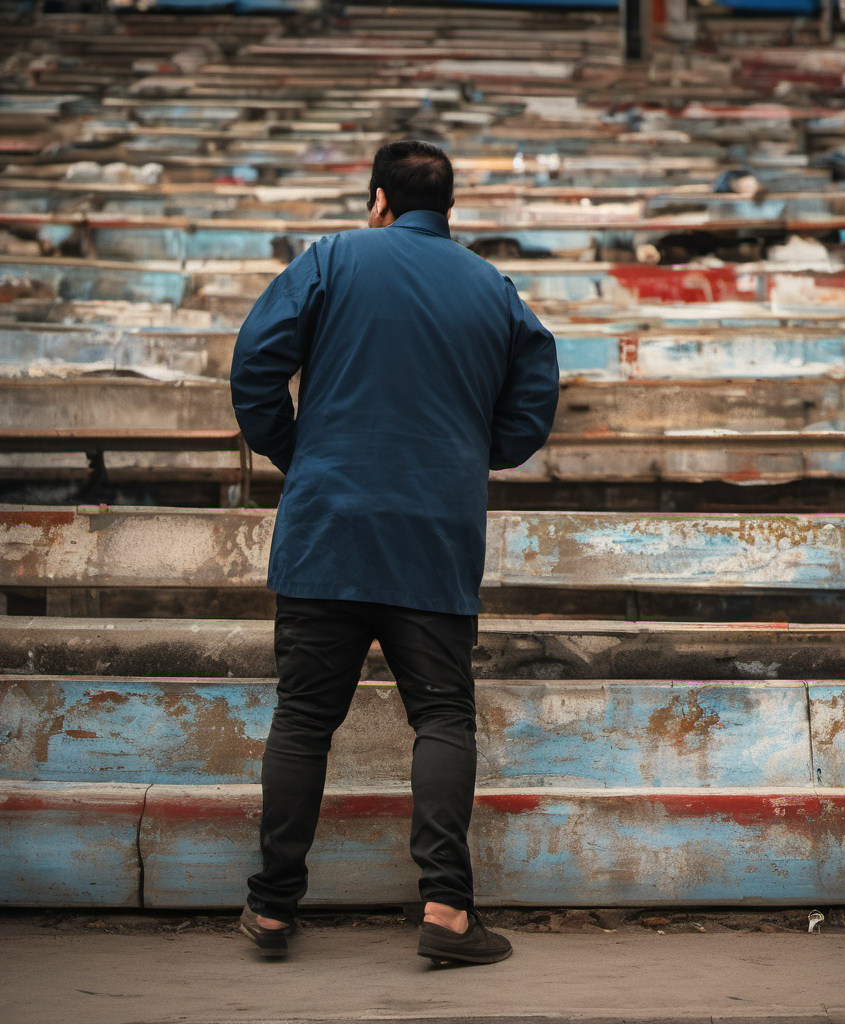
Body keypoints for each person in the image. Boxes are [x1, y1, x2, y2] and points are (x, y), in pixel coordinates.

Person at [230, 140, 560, 963]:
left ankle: (272, 909)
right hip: (435, 536)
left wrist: (297, 450)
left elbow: (254, 367)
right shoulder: (495, 288)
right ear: (447, 208)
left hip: (328, 527)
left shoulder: (332, 258)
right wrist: (467, 454)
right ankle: (447, 913)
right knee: (443, 717)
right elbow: (532, 405)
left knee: (305, 717)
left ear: (378, 198)